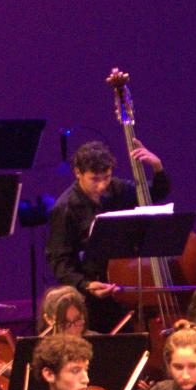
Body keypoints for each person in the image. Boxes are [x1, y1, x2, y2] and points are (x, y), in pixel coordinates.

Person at [44, 139, 168, 334]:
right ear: (78, 173)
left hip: (125, 288)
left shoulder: (116, 189)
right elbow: (60, 262)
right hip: (93, 298)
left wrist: (157, 167)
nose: (102, 185)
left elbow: (154, 194)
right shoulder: (65, 208)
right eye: (95, 179)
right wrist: (86, 285)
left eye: (107, 177)